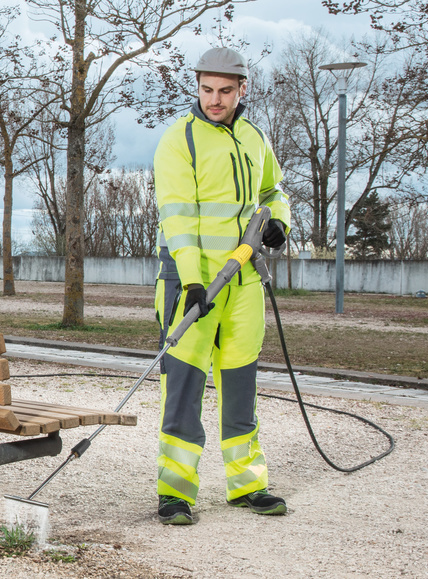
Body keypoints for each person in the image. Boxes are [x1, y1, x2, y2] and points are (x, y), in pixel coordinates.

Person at [151, 47, 292, 525]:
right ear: (197, 86)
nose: (215, 99)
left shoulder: (254, 137)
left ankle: (248, 484)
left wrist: (280, 226)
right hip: (191, 284)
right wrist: (192, 280)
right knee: (184, 388)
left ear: (241, 90)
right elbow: (177, 218)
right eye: (207, 89)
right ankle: (175, 493)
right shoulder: (179, 141)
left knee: (240, 386)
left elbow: (274, 193)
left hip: (244, 283)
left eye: (225, 91)